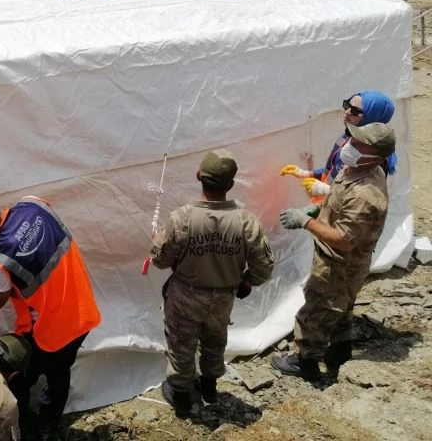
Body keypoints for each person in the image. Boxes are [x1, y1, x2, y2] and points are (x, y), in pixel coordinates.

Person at [0, 182, 101, 440]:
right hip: (82, 313)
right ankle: (49, 423)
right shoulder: (34, 203)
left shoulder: (0, 260)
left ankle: (25, 433)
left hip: (50, 334)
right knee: (60, 373)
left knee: (16, 380)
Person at [149, 150, 274, 418]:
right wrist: (247, 282)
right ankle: (209, 389)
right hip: (223, 297)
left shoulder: (181, 218)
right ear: (230, 184)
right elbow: (263, 268)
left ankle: (182, 397)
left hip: (184, 295)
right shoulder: (246, 222)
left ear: (199, 177)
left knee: (181, 344)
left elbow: (159, 260)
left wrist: (157, 242)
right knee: (215, 341)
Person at [272, 123, 394, 381]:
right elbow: (338, 201)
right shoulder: (356, 170)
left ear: (376, 155)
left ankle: (306, 363)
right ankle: (339, 354)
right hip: (342, 261)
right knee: (341, 308)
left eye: (360, 144)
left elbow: (344, 240)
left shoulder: (365, 194)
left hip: (340, 263)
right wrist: (318, 210)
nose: (351, 145)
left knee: (317, 310)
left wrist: (306, 222)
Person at [280, 90, 396, 200]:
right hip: (329, 203)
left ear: (372, 117)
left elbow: (363, 199)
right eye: (347, 105)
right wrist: (305, 173)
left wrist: (326, 190)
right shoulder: (346, 137)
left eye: (355, 111)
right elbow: (335, 169)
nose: (347, 112)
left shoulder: (373, 156)